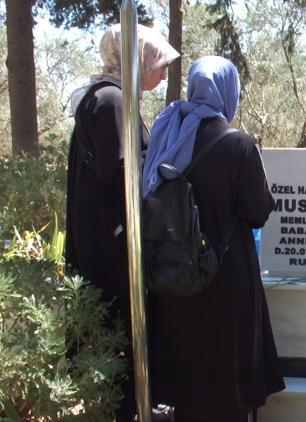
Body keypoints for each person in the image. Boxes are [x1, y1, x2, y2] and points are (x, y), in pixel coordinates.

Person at [145, 56, 285, 422]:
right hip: (225, 278)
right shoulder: (239, 144)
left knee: (188, 383)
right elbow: (257, 212)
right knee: (226, 383)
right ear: (228, 91)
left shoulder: (168, 134)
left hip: (175, 276)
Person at [65, 24, 178, 421]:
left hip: (105, 246)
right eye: (158, 64)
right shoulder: (112, 101)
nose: (162, 74)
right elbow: (120, 176)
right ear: (137, 59)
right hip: (112, 254)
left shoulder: (106, 97)